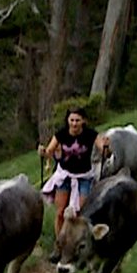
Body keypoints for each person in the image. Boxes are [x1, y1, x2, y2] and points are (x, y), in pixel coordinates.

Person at [38, 107, 98, 261]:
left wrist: (106, 146)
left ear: (83, 121)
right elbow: (50, 151)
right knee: (60, 213)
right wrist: (44, 152)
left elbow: (103, 146)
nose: (74, 123)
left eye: (77, 120)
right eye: (71, 120)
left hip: (84, 176)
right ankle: (59, 246)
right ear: (68, 121)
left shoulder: (90, 134)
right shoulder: (61, 134)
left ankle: (77, 244)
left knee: (79, 213)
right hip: (65, 175)